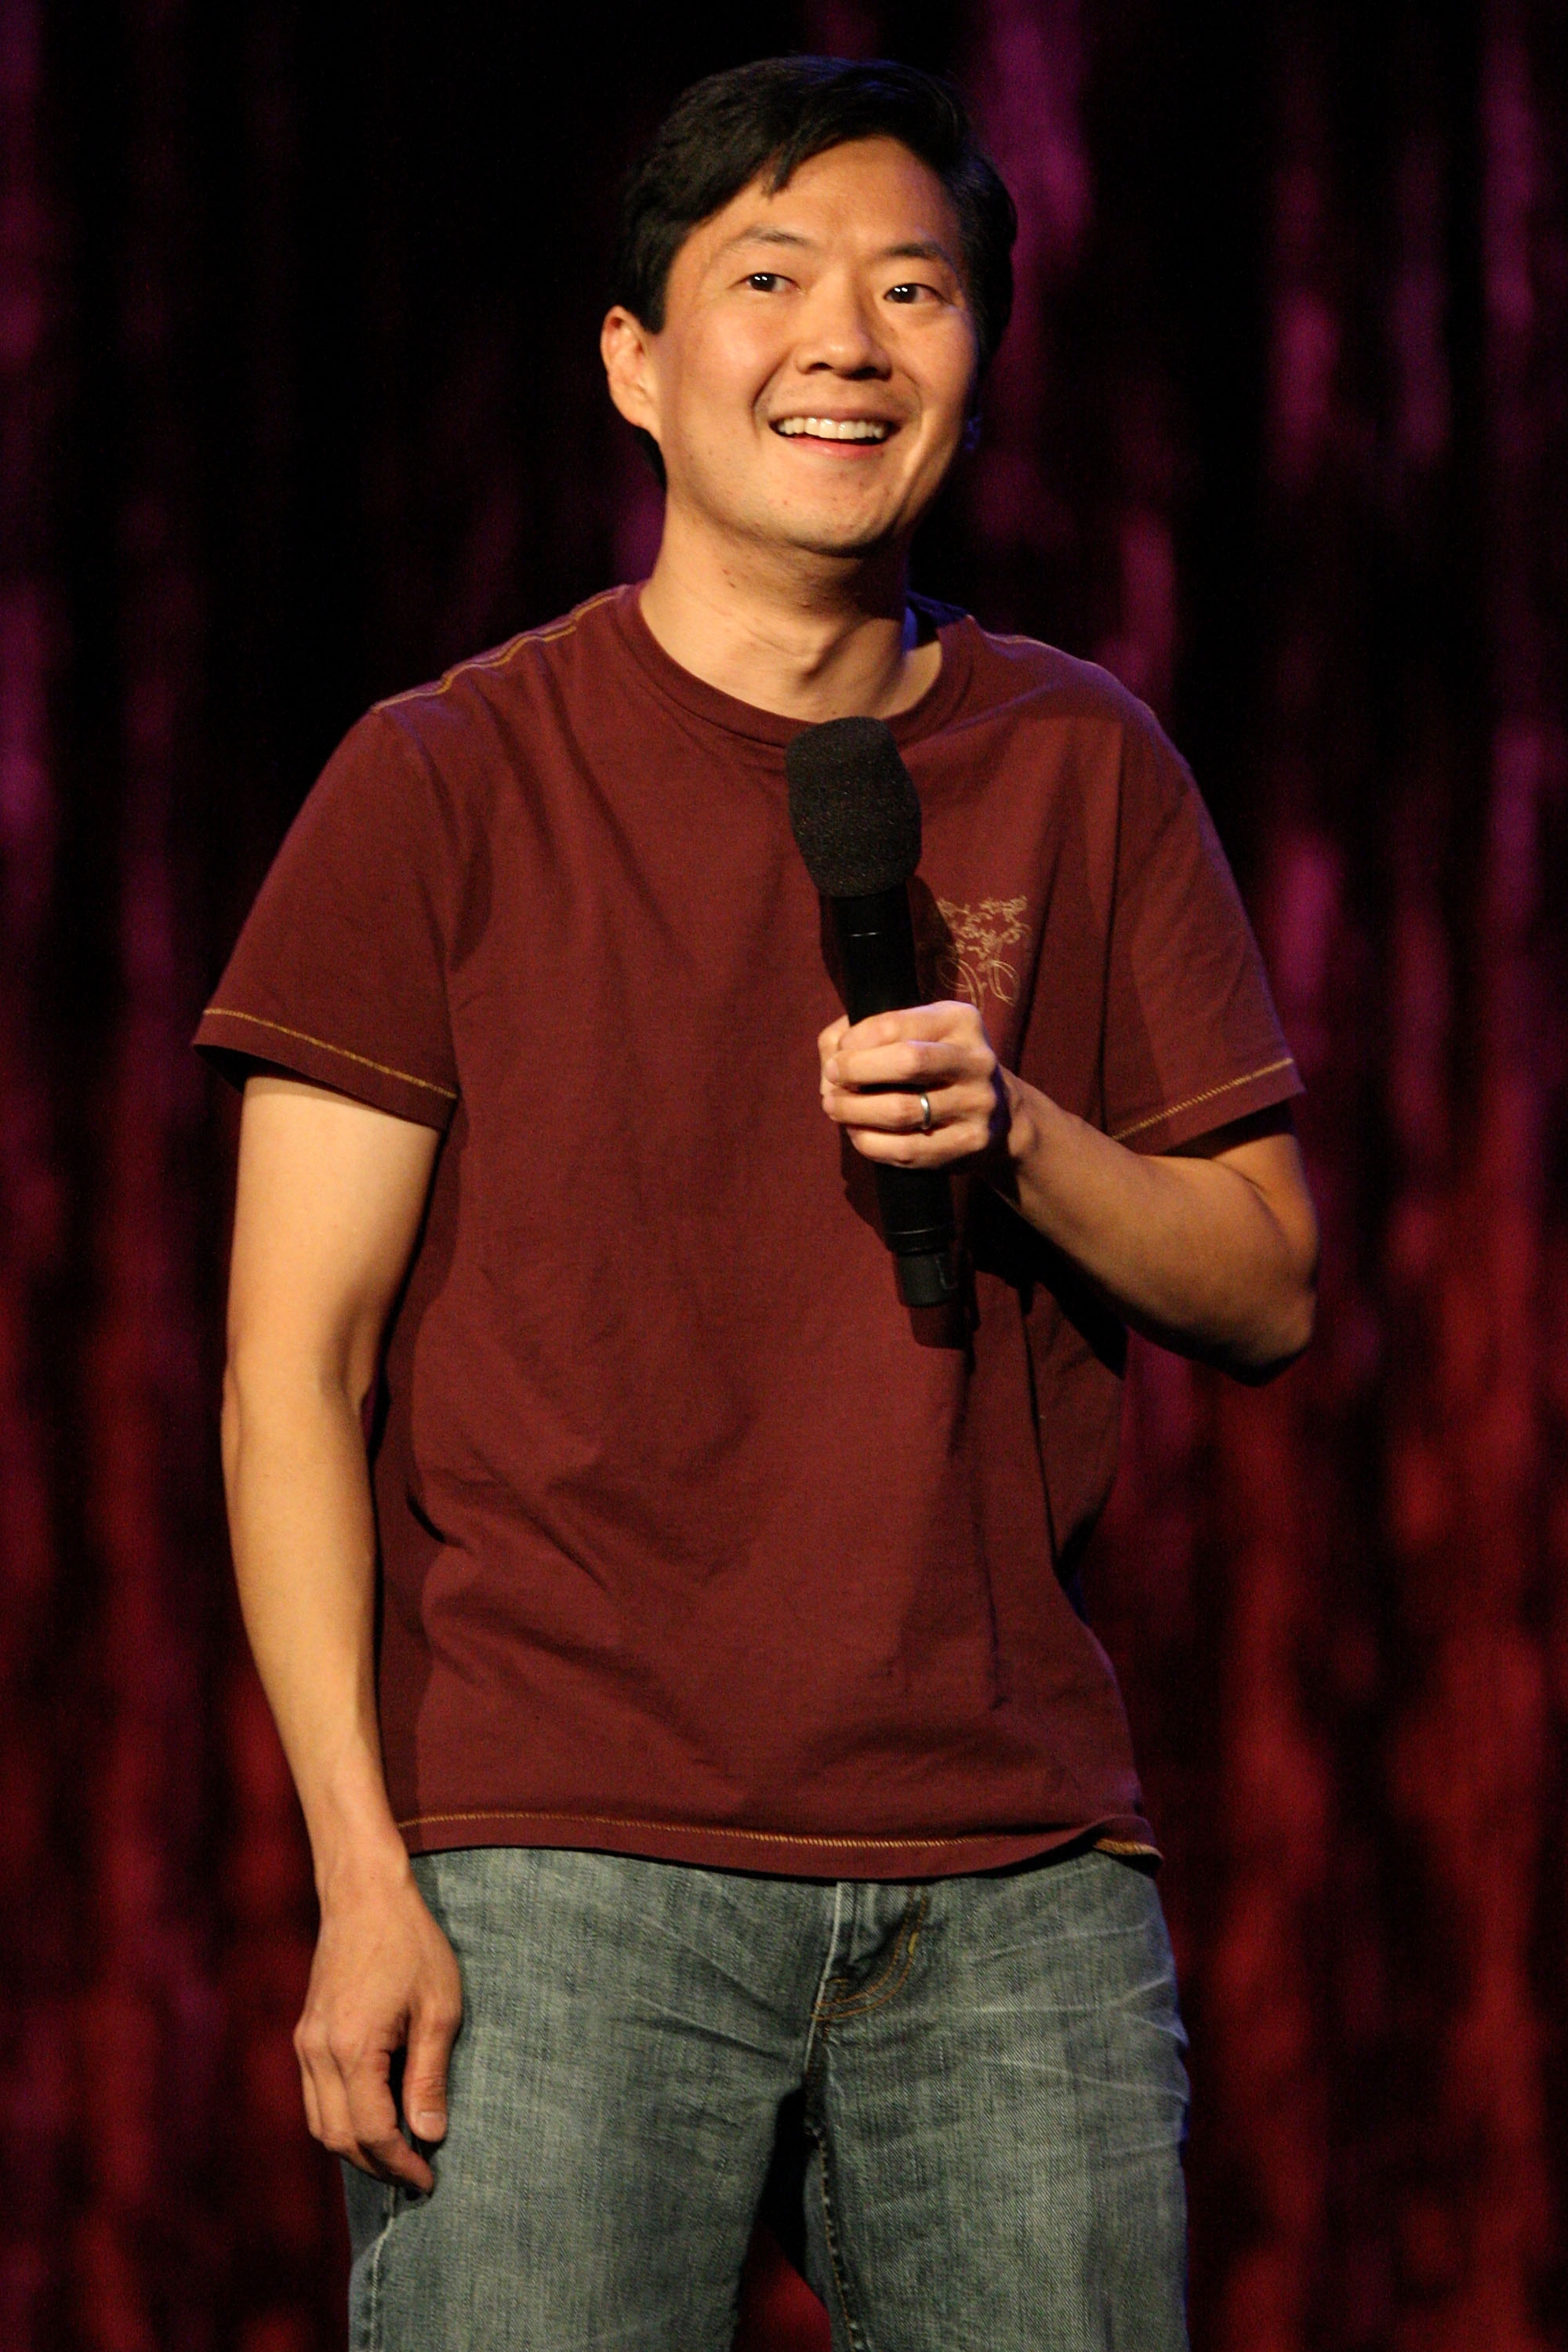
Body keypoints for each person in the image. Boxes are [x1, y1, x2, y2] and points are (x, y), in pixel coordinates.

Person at [201, 55, 1316, 2352]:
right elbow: (285, 1371)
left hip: (1006, 1875)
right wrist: (358, 1874)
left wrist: (1020, 1134)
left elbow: (1270, 1277)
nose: (846, 340)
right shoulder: (442, 781)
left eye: (914, 288)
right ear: (637, 361)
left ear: (977, 369)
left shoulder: (1080, 762)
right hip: (555, 1863)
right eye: (772, 280)